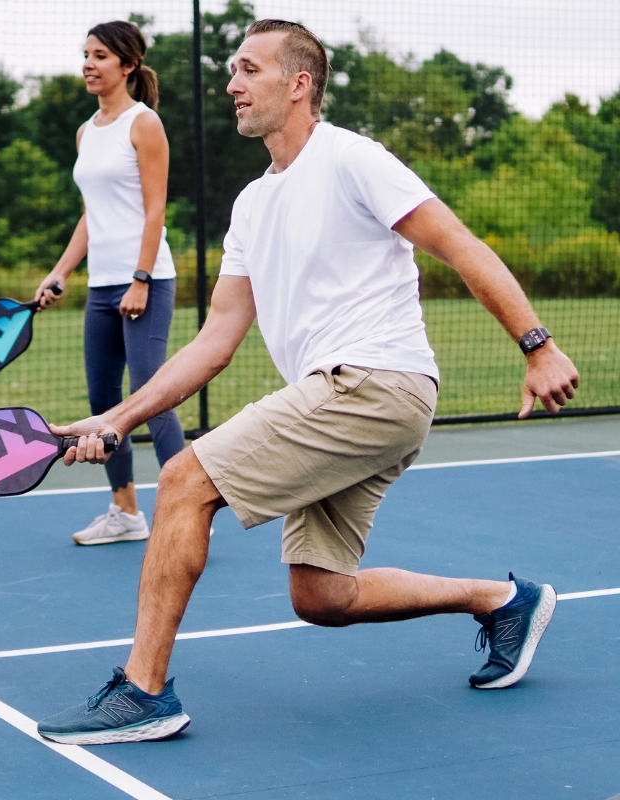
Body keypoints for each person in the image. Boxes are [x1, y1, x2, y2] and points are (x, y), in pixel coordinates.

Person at [36, 20, 580, 745]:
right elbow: (215, 339)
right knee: (321, 595)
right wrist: (118, 417)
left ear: (299, 84)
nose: (232, 83)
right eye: (233, 70)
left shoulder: (354, 160)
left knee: (184, 480)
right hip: (346, 395)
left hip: (375, 380)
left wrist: (536, 345)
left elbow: (459, 244)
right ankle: (505, 600)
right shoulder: (253, 204)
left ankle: (144, 691)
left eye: (249, 69)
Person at [34, 20, 185, 546]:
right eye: (85, 54)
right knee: (103, 400)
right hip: (102, 287)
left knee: (151, 397)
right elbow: (91, 216)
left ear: (128, 65)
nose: (88, 64)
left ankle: (184, 516)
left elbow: (155, 208)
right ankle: (126, 513)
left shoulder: (145, 124)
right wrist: (62, 270)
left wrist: (140, 279)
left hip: (145, 280)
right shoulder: (86, 130)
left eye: (100, 56)